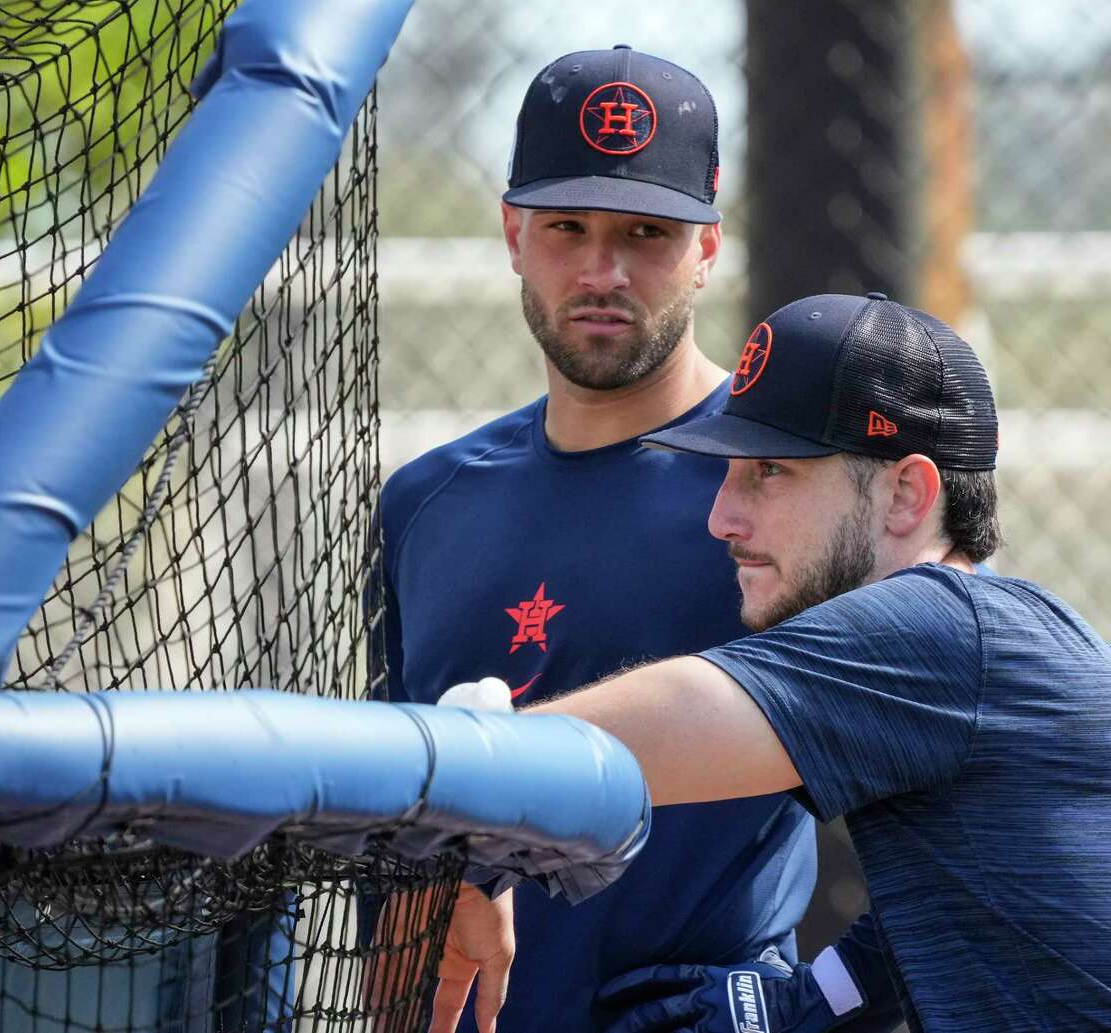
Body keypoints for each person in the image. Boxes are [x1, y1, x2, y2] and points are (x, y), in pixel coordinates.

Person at [379, 46, 901, 1033]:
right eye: (568, 227)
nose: (602, 270)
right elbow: (399, 828)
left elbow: (983, 767)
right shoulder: (426, 501)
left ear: (707, 247)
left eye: (647, 234)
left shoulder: (797, 494)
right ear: (512, 232)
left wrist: (803, 1008)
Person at [433, 292, 1111, 1033]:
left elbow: (613, 740)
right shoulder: (1003, 641)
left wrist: (468, 790)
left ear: (907, 495)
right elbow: (947, 914)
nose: (722, 517)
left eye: (771, 472)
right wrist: (792, 1005)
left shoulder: (940, 630)